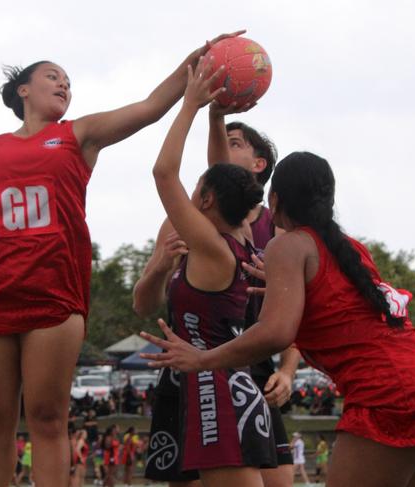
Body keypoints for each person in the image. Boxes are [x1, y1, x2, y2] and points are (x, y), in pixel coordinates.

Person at [0, 30, 243, 487]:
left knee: (46, 419)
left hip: (54, 301)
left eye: (68, 81)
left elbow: (149, 107)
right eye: (52, 76)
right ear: (23, 90)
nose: (63, 85)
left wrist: (193, 65)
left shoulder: (79, 135)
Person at [140, 151, 415, 487]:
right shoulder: (348, 248)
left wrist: (202, 358)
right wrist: (282, 287)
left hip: (393, 392)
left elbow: (275, 333)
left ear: (273, 200)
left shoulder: (288, 245)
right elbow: (343, 309)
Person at [133, 85, 296, 487]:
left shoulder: (211, 247)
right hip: (233, 378)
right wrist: (215, 117)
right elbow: (227, 178)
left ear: (205, 200)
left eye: (198, 188)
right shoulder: (240, 234)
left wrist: (191, 102)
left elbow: (163, 173)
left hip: (213, 386)